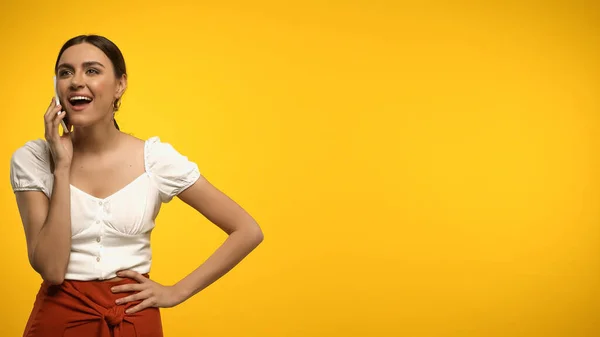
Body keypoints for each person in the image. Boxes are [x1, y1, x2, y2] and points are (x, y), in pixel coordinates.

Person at [9, 34, 264, 337]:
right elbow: (51, 269)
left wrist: (176, 292)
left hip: (133, 319)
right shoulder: (33, 159)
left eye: (92, 70)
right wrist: (61, 167)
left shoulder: (155, 159)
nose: (76, 81)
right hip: (59, 320)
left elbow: (247, 230)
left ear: (120, 84)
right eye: (66, 72)